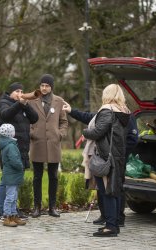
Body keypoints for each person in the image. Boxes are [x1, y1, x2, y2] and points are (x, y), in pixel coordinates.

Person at [62, 101, 138, 227]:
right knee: (102, 187)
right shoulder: (107, 112)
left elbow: (133, 139)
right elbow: (90, 117)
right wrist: (71, 111)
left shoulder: (126, 114)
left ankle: (117, 219)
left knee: (114, 188)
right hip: (106, 157)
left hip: (116, 158)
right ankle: (106, 216)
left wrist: (120, 153)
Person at [82, 84, 131, 237]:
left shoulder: (106, 110)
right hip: (118, 156)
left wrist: (85, 132)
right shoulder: (124, 111)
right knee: (114, 191)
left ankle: (110, 227)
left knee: (107, 192)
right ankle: (114, 224)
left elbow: (97, 132)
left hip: (105, 157)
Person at [28, 74, 68, 218]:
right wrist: (31, 133)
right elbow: (26, 120)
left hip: (53, 144)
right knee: (37, 177)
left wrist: (60, 134)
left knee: (53, 176)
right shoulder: (32, 101)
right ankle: (37, 207)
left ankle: (52, 207)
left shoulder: (58, 101)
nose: (44, 88)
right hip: (37, 143)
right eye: (42, 85)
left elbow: (64, 121)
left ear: (51, 87)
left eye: (47, 86)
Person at [0, 82, 38, 220]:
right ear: (11, 93)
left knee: (14, 181)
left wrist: (26, 105)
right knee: (6, 181)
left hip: (21, 148)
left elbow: (35, 118)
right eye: (17, 91)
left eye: (22, 91)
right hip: (9, 149)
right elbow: (6, 114)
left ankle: (12, 210)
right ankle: (3, 211)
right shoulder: (4, 103)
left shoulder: (22, 105)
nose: (20, 94)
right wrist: (19, 104)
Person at [0, 123, 26, 227]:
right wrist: (20, 166)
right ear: (10, 134)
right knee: (10, 197)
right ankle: (7, 216)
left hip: (12, 175)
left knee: (14, 196)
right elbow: (14, 160)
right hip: (12, 175)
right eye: (13, 131)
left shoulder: (9, 144)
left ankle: (13, 215)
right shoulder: (10, 146)